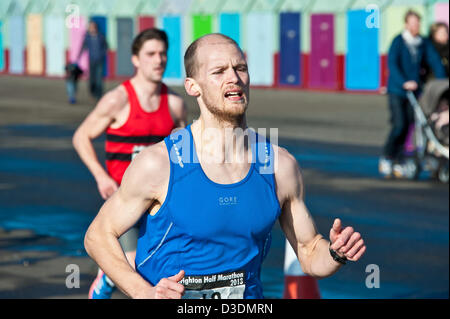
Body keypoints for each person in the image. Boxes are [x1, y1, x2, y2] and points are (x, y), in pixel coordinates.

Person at [83, 33, 366, 299]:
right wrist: (142, 292)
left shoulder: (279, 165)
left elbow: (308, 251)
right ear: (193, 86)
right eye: (218, 72)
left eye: (240, 68)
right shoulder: (158, 164)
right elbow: (98, 235)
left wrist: (336, 253)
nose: (234, 78)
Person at [73, 28, 187, 299]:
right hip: (126, 199)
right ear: (136, 59)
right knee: (135, 271)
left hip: (159, 201)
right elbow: (81, 137)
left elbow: (183, 153)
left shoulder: (174, 104)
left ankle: (114, 273)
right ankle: (107, 279)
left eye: (162, 54)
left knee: (168, 270)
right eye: (150, 54)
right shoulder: (118, 100)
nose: (158, 60)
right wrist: (102, 176)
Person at [379, 10, 446, 179]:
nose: (416, 26)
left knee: (410, 124)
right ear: (406, 24)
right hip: (398, 90)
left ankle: (401, 157)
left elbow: (434, 61)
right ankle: (388, 156)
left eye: (417, 23)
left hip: (415, 91)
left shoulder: (422, 42)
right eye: (413, 23)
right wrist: (403, 81)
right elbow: (392, 64)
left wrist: (442, 81)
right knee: (399, 124)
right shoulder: (399, 41)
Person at [77, 21, 108, 101]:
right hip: (91, 60)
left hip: (100, 60)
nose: (91, 28)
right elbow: (83, 47)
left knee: (99, 79)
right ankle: (92, 92)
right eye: (90, 27)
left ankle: (99, 95)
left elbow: (106, 46)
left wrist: (102, 54)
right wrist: (78, 57)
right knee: (92, 79)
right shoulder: (87, 37)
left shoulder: (101, 36)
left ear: (96, 27)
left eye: (93, 26)